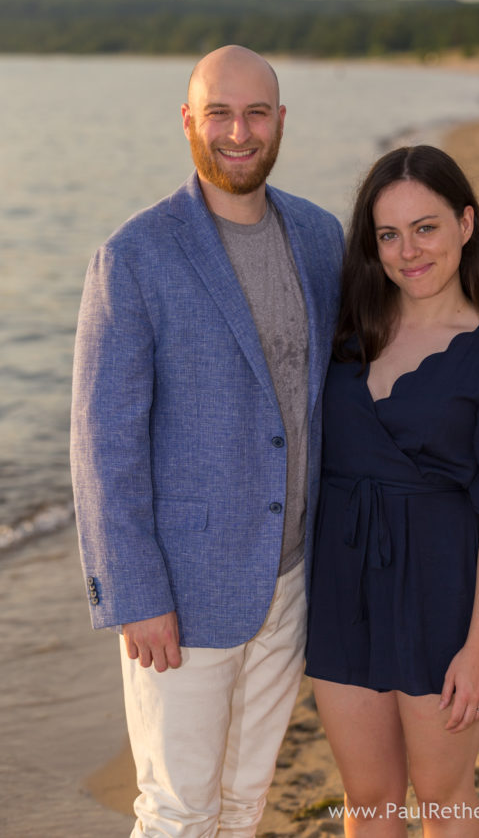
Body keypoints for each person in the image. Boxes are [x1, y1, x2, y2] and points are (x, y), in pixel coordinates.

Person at [70, 45, 345, 837]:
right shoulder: (133, 257)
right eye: (218, 112)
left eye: (256, 113)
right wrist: (136, 597)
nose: (238, 131)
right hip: (181, 602)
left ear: (281, 122)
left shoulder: (321, 239)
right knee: (178, 811)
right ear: (188, 120)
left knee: (243, 803)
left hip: (290, 579)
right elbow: (102, 445)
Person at [305, 145, 479, 837]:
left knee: (443, 799)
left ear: (466, 224)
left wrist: (477, 650)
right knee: (369, 801)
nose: (408, 251)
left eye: (426, 227)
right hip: (343, 592)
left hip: (442, 598)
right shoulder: (345, 341)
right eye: (388, 234)